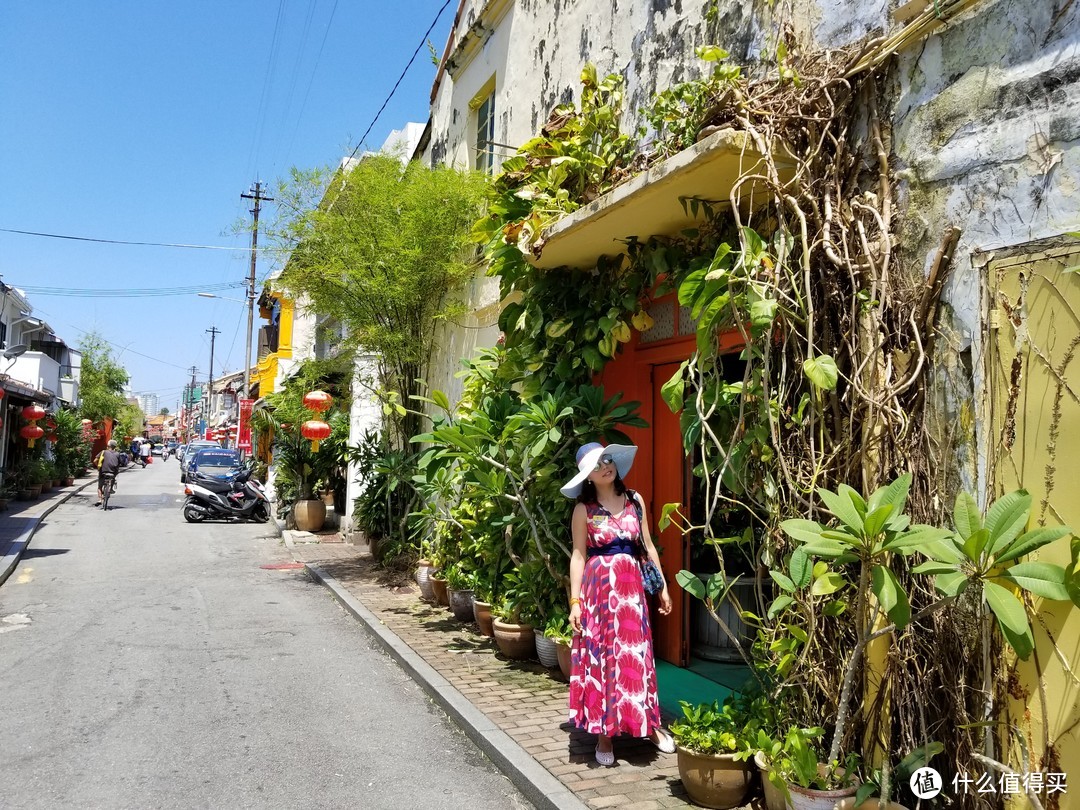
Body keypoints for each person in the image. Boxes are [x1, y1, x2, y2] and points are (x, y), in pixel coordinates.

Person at [562, 441, 675, 766]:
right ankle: (604, 734)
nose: (605, 467)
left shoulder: (634, 500)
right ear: (588, 476)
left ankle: (648, 724)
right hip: (598, 596)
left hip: (631, 595)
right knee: (603, 659)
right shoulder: (583, 510)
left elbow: (648, 547)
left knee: (636, 656)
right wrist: (575, 602)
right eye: (597, 465)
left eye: (607, 460)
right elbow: (579, 555)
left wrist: (663, 587)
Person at [95, 439, 121, 506]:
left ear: (108, 445)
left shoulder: (103, 452)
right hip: (112, 472)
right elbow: (119, 463)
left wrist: (98, 467)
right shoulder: (117, 454)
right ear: (115, 447)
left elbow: (95, 460)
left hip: (103, 472)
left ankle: (100, 499)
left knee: (99, 486)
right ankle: (111, 488)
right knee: (114, 476)